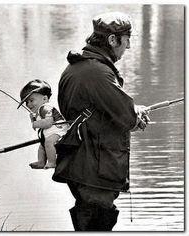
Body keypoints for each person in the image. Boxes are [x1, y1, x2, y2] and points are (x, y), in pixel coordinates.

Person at [52, 12, 150, 231]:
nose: (129, 47)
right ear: (112, 40)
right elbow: (127, 117)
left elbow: (98, 109)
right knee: (97, 221)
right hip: (94, 169)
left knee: (90, 218)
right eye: (126, 40)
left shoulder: (76, 68)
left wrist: (131, 111)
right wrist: (137, 115)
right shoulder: (98, 72)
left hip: (80, 165)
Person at [17, 79, 69, 169]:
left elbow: (48, 123)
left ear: (44, 98)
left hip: (60, 130)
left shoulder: (46, 108)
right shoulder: (38, 112)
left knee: (48, 143)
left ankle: (52, 162)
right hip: (51, 132)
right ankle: (41, 162)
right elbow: (38, 126)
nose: (29, 104)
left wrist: (35, 123)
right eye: (26, 102)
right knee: (42, 146)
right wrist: (33, 120)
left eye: (31, 100)